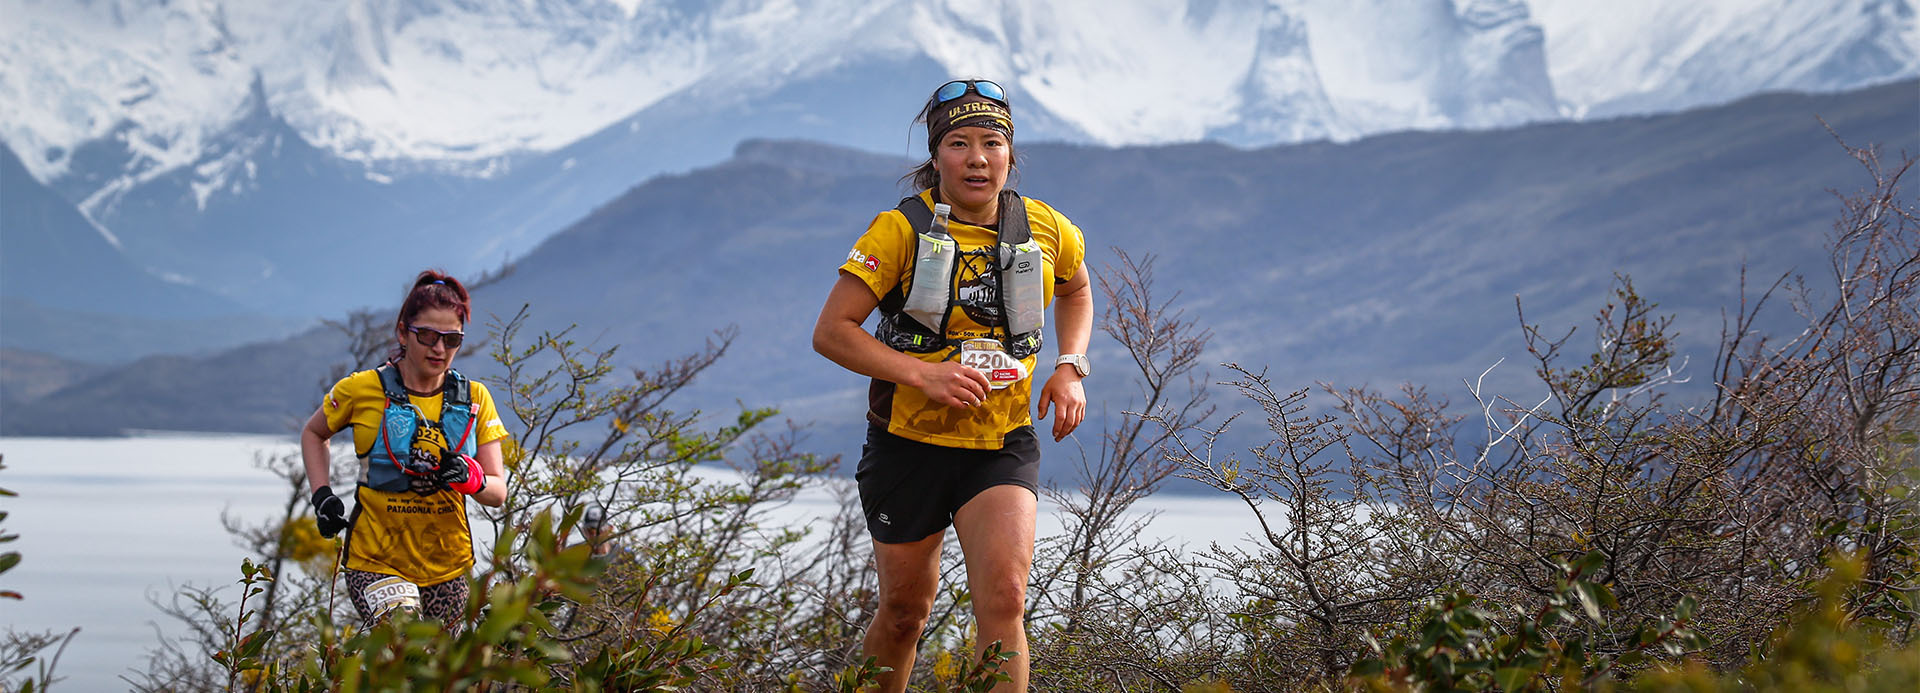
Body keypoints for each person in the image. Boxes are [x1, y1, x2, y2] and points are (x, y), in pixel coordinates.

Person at [812, 78, 1093, 692]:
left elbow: (1075, 285)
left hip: (1001, 445)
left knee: (1005, 602)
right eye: (959, 144)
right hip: (908, 445)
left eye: (992, 143)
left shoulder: (1045, 227)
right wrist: (921, 373)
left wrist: (1071, 365)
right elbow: (832, 332)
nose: (977, 158)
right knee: (906, 614)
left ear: (1011, 155)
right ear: (935, 156)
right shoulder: (899, 230)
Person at [300, 270, 510, 626]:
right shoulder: (361, 389)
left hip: (448, 565)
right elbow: (313, 433)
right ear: (403, 332)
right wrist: (322, 496)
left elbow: (497, 491)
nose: (439, 349)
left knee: (438, 674)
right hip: (374, 559)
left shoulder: (475, 399)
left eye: (452, 339)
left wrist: (470, 478)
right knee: (407, 641)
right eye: (427, 336)